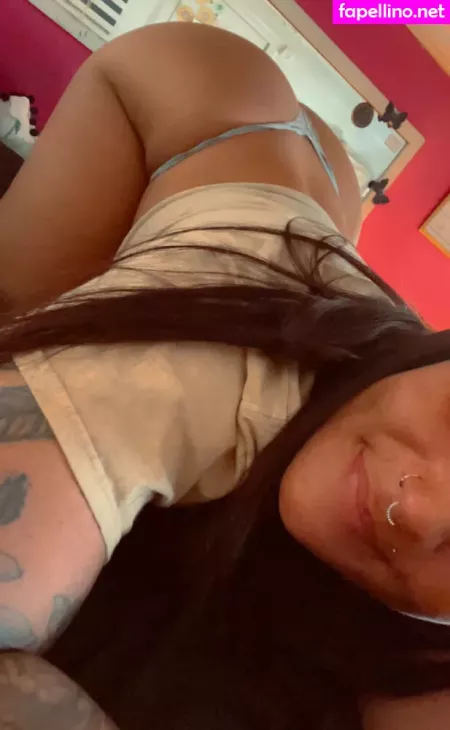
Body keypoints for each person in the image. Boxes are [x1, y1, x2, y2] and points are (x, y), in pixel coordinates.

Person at [0, 21, 449, 730]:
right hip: (202, 107)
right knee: (20, 316)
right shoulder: (202, 367)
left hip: (331, 239)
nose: (417, 511)